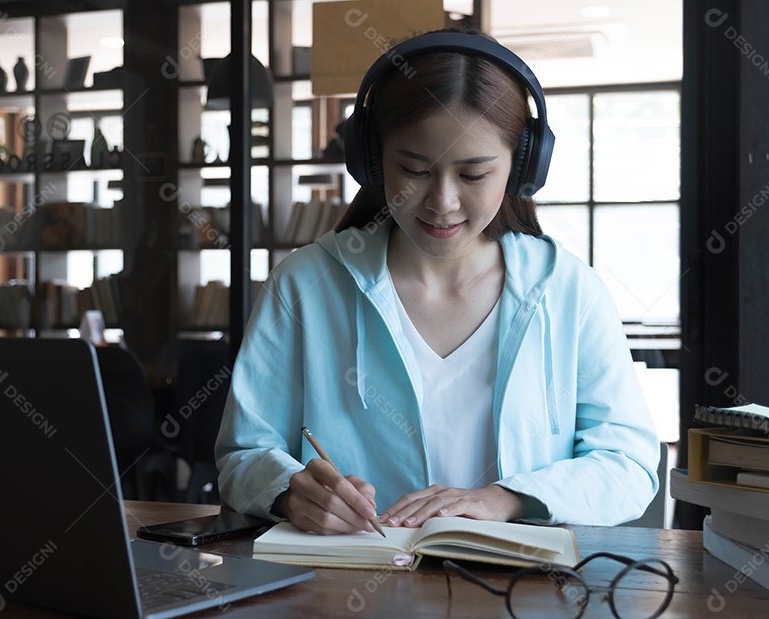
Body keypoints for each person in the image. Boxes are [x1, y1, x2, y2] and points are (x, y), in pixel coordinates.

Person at [214, 26, 659, 535]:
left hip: (521, 596)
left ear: (521, 168)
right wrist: (291, 492)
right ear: (373, 159)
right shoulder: (304, 284)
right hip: (345, 598)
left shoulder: (569, 291)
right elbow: (243, 454)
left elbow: (630, 464)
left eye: (473, 176)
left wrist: (505, 500)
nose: (442, 202)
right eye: (415, 169)